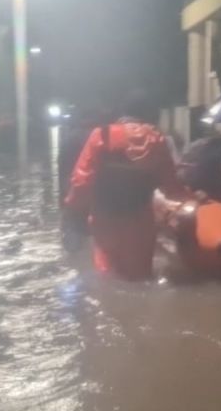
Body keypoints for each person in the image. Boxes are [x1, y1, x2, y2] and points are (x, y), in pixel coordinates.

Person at [64, 97, 184, 280]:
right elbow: (172, 186)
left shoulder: (102, 136)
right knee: (141, 276)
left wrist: (73, 209)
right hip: (140, 219)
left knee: (107, 274)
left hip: (105, 218)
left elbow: (81, 181)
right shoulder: (157, 139)